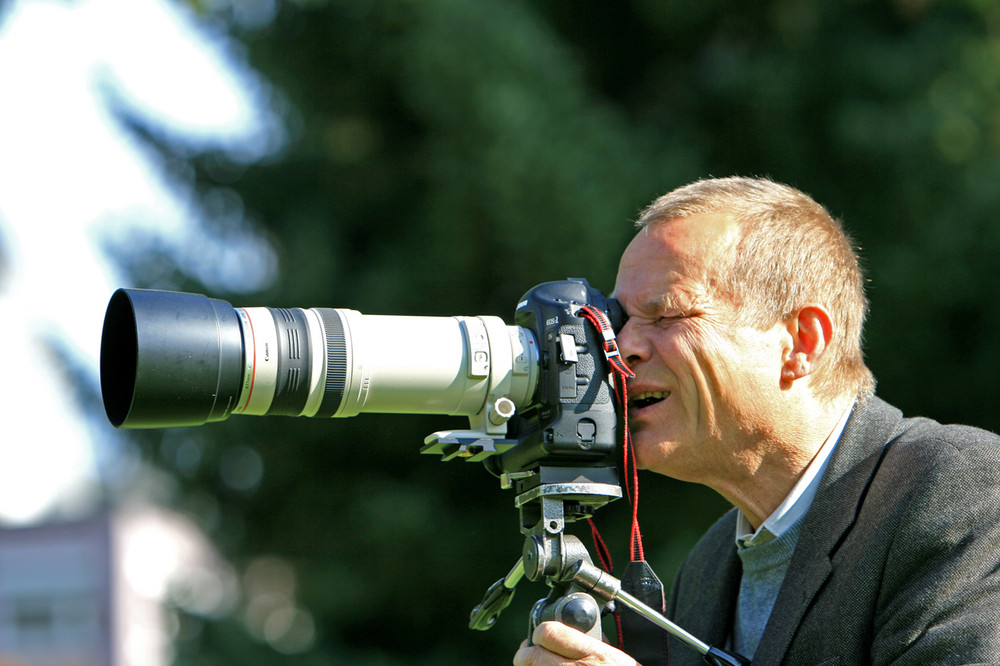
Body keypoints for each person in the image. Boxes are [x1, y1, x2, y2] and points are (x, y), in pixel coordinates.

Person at [513, 176, 1000, 665]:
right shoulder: (707, 568)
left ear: (800, 343)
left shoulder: (964, 491)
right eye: (619, 321)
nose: (624, 347)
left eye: (666, 317)